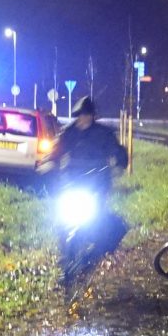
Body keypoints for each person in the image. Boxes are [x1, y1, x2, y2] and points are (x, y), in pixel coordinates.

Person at [44, 96, 130, 259]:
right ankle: (64, 251)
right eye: (80, 115)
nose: (83, 119)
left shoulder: (104, 134)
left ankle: (100, 248)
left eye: (87, 115)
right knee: (63, 218)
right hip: (73, 182)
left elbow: (118, 151)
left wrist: (120, 164)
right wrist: (50, 165)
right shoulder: (69, 133)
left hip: (98, 183)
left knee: (99, 217)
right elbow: (57, 151)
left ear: (92, 116)